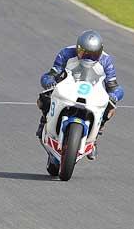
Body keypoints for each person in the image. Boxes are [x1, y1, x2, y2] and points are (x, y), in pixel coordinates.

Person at [36, 30, 124, 160]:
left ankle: (95, 137)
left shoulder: (106, 61)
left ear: (100, 51)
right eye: (85, 53)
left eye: (93, 55)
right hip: (67, 88)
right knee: (44, 98)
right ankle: (44, 122)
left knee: (110, 107)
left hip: (92, 92)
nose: (89, 58)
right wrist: (49, 82)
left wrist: (114, 95)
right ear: (78, 48)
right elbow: (52, 74)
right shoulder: (66, 53)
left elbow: (114, 86)